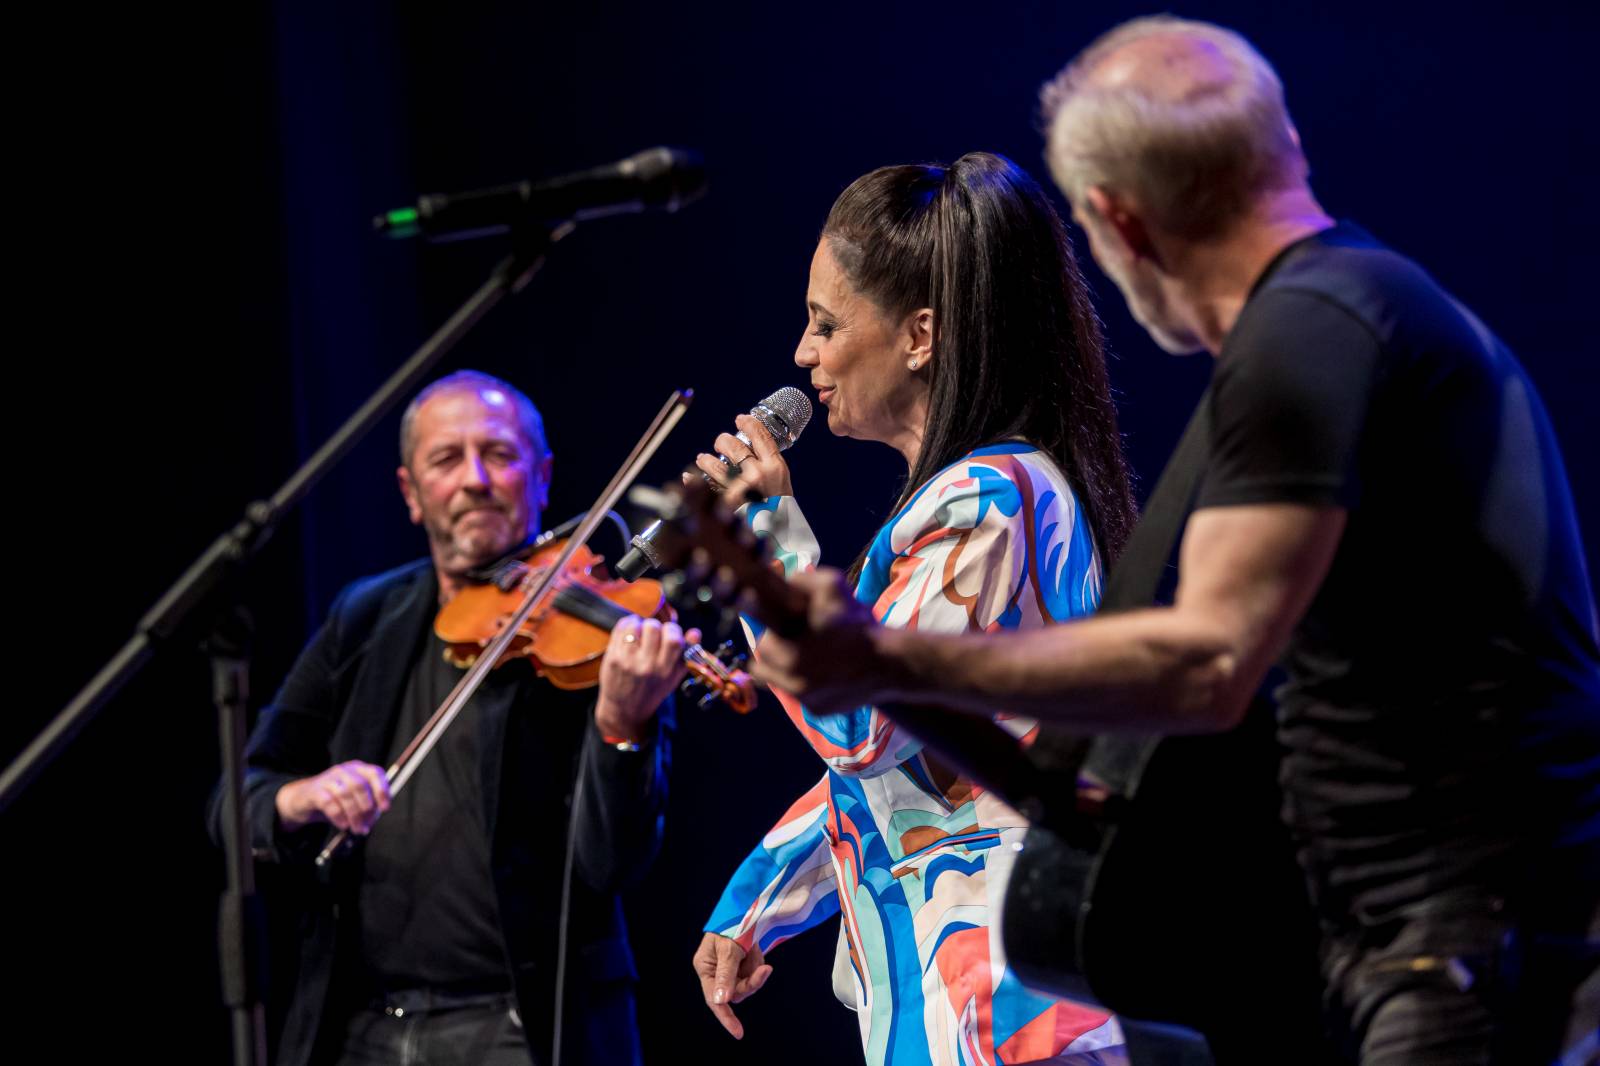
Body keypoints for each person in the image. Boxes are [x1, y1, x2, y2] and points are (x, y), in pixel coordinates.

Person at [744, 17, 1600, 1065]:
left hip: (1461, 934)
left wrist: (888, 654)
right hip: (1430, 929)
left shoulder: (1308, 334)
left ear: (1119, 223)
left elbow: (1206, 660)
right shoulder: (1348, 312)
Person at [689, 153, 1137, 1065]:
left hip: (1011, 1008)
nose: (801, 353)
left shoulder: (994, 499)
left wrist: (766, 540)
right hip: (957, 1004)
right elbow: (909, 775)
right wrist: (755, 906)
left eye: (824, 323)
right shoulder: (959, 501)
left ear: (920, 334)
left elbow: (862, 727)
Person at [211, 370, 684, 1066]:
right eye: (445, 459)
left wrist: (622, 725)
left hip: (526, 1028)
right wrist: (301, 796)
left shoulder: (608, 628)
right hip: (361, 1027)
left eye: (498, 454)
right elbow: (234, 797)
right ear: (410, 493)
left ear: (541, 475)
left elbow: (611, 864)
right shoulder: (365, 615)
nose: (474, 480)